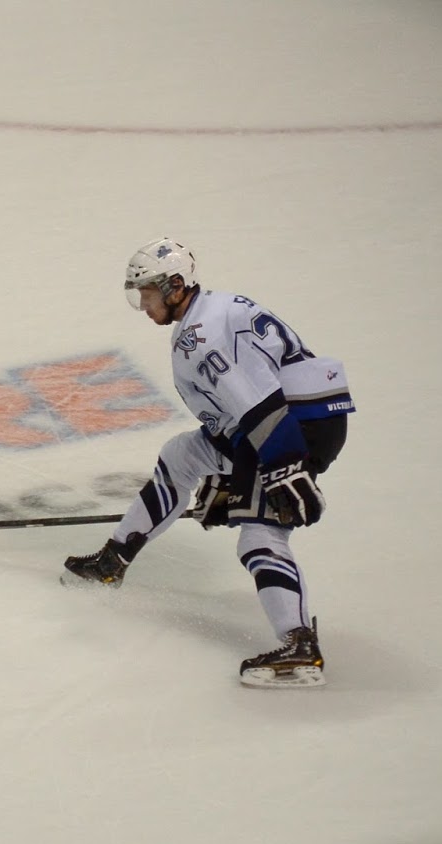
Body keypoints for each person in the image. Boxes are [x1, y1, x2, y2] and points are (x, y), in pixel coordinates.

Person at [62, 238, 353, 687]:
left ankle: (299, 647)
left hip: (289, 428)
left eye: (148, 294)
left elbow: (257, 405)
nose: (143, 305)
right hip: (277, 423)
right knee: (180, 456)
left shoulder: (203, 335)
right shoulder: (211, 311)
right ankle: (113, 561)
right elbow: (241, 411)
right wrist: (231, 477)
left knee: (259, 534)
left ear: (176, 286)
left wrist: (284, 467)